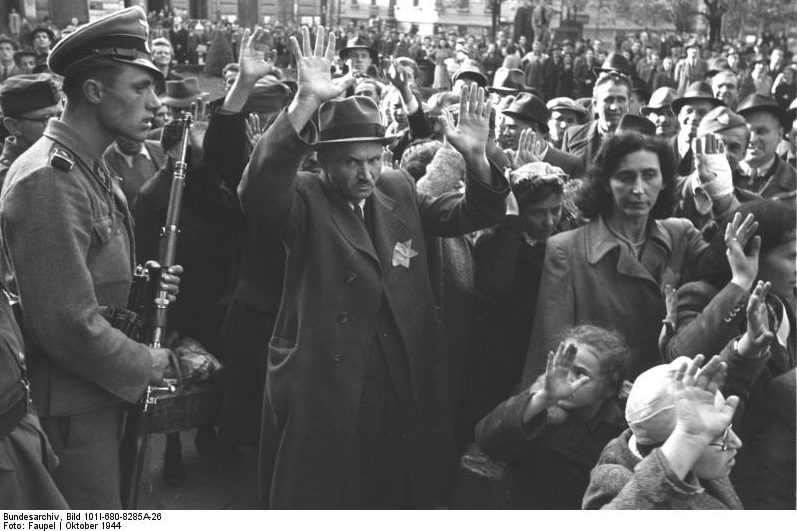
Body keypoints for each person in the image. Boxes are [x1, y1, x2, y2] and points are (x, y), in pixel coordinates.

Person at [238, 26, 508, 509]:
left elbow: (474, 214)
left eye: (374, 159)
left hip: (404, 373)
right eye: (351, 163)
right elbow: (257, 189)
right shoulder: (304, 196)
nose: (365, 174)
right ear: (322, 160)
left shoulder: (397, 187)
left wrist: (475, 158)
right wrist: (304, 102)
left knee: (398, 489)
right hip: (330, 381)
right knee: (329, 494)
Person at [0, 7, 182, 509]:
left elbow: (89, 273)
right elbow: (64, 321)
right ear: (95, 91)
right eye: (140, 88)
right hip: (73, 410)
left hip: (96, 393)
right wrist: (145, 362)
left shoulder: (85, 166)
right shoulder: (49, 179)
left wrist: (142, 285)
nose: (155, 104)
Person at [523, 131, 707, 385]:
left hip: (666, 393)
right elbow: (552, 348)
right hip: (596, 395)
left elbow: (731, 264)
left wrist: (722, 197)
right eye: (626, 177)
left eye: (649, 175)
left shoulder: (680, 234)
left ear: (664, 181)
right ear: (606, 183)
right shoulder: (566, 249)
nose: (638, 189)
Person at [662, 200, 796, 509]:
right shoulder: (702, 294)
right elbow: (679, 356)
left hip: (779, 461)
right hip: (732, 466)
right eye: (791, 257)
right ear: (753, 254)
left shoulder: (782, 300)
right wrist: (741, 282)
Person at [476, 325, 630, 509]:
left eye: (580, 373)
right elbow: (488, 440)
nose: (565, 378)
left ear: (609, 388)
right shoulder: (536, 410)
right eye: (563, 366)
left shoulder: (620, 427)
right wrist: (543, 399)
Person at [583, 355, 749, 509]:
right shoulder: (615, 484)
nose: (736, 442)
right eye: (719, 436)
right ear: (670, 446)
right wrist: (688, 438)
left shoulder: (705, 462)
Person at [0, 74, 62, 188]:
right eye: (46, 118)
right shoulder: (12, 178)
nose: (57, 125)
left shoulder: (57, 153)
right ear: (13, 126)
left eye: (60, 115)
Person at [561, 71, 632, 168]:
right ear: (595, 105)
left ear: (628, 105)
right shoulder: (574, 136)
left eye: (621, 100)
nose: (614, 107)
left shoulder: (641, 140)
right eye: (608, 100)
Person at [736, 94, 797, 200]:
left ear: (779, 135)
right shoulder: (718, 175)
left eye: (761, 131)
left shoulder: (793, 181)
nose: (752, 139)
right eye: (746, 131)